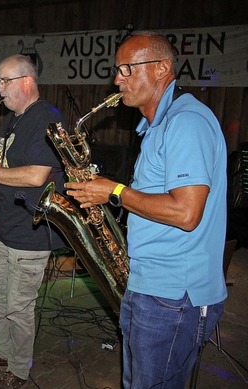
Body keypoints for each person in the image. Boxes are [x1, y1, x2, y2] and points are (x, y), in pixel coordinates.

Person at [65, 31, 227, 388]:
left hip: (174, 297)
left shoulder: (186, 122)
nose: (117, 78)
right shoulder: (156, 125)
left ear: (161, 68)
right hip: (151, 285)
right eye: (117, 69)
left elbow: (186, 213)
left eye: (127, 68)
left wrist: (117, 191)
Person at [0, 54, 66, 389]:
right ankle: (3, 352)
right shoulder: (12, 119)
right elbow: (6, 170)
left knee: (19, 307)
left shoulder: (46, 119)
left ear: (27, 82)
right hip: (4, 229)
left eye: (5, 81)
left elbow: (35, 176)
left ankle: (19, 370)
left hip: (31, 233)